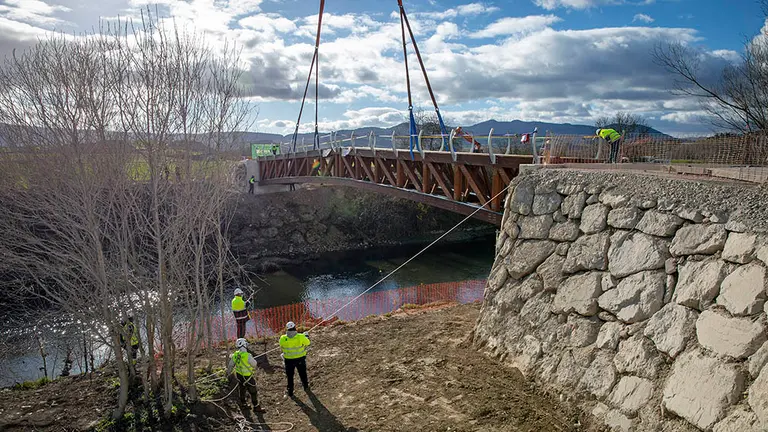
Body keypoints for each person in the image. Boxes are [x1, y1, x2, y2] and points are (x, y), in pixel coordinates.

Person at [226, 338, 266, 413]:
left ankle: (243, 404)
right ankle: (256, 406)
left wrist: (228, 373)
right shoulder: (247, 355)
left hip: (239, 376)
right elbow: (254, 364)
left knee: (242, 390)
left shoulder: (235, 355)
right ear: (244, 345)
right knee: (253, 391)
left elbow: (231, 365)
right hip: (248, 377)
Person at [279, 321, 311, 398]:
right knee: (303, 373)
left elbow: (281, 345)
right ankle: (306, 386)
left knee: (290, 376)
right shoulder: (301, 336)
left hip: (288, 361)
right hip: (300, 359)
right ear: (295, 327)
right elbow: (308, 343)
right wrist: (306, 336)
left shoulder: (283, 338)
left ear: (287, 329)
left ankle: (290, 391)